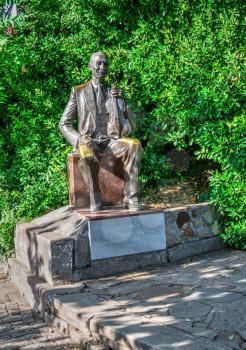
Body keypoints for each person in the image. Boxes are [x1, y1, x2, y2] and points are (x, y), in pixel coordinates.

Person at [59, 51, 142, 211]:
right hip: (89, 140)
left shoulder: (115, 91)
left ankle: (131, 198)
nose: (102, 67)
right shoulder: (79, 91)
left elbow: (133, 124)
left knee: (134, 145)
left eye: (106, 64)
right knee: (86, 153)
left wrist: (125, 101)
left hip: (111, 141)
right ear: (90, 66)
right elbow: (64, 124)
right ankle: (95, 196)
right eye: (99, 63)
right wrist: (78, 139)